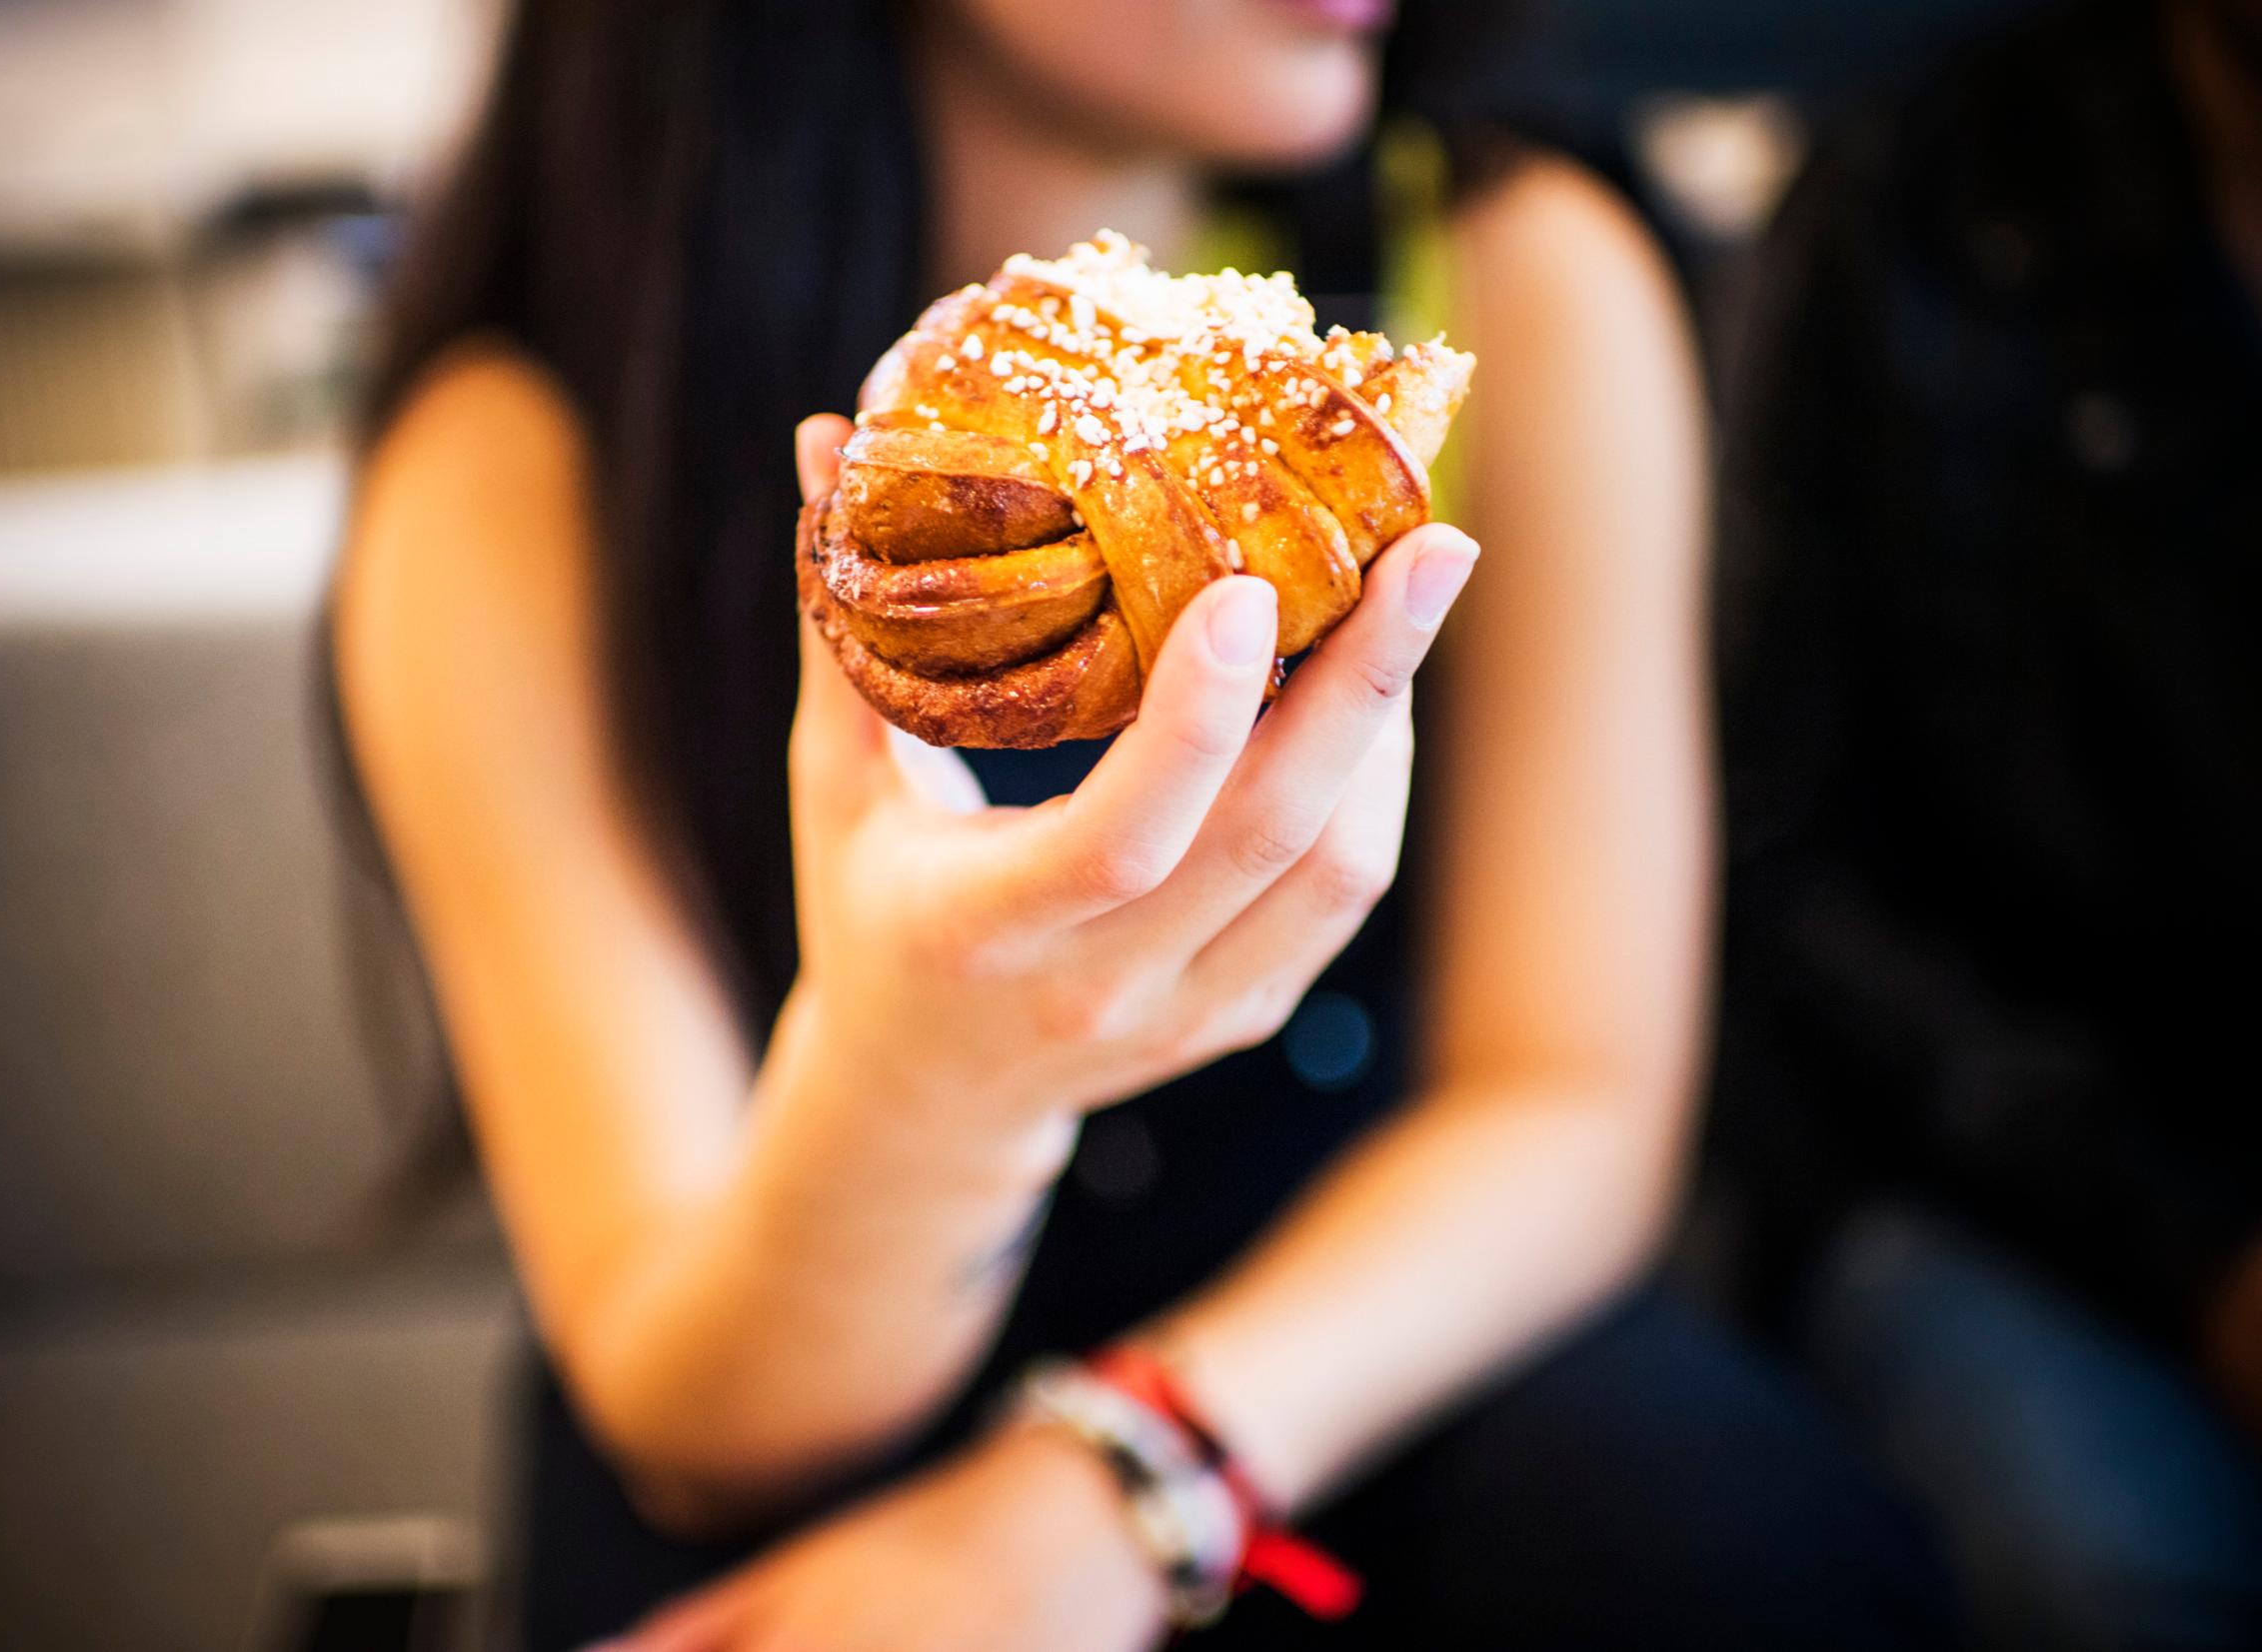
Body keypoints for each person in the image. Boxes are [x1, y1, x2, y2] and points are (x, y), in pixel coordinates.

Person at [335, 2, 1950, 1647]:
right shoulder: (517, 471)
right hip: (813, 1354)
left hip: (1363, 1328)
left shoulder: (1506, 278)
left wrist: (1117, 1482)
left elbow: (1571, 1103)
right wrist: (928, 1088)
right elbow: (692, 1415)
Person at [1717, 0, 2262, 1645]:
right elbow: (1786, 867)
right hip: (2012, 1182)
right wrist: (2199, 1254)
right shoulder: (1918, 206)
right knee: (2101, 1562)